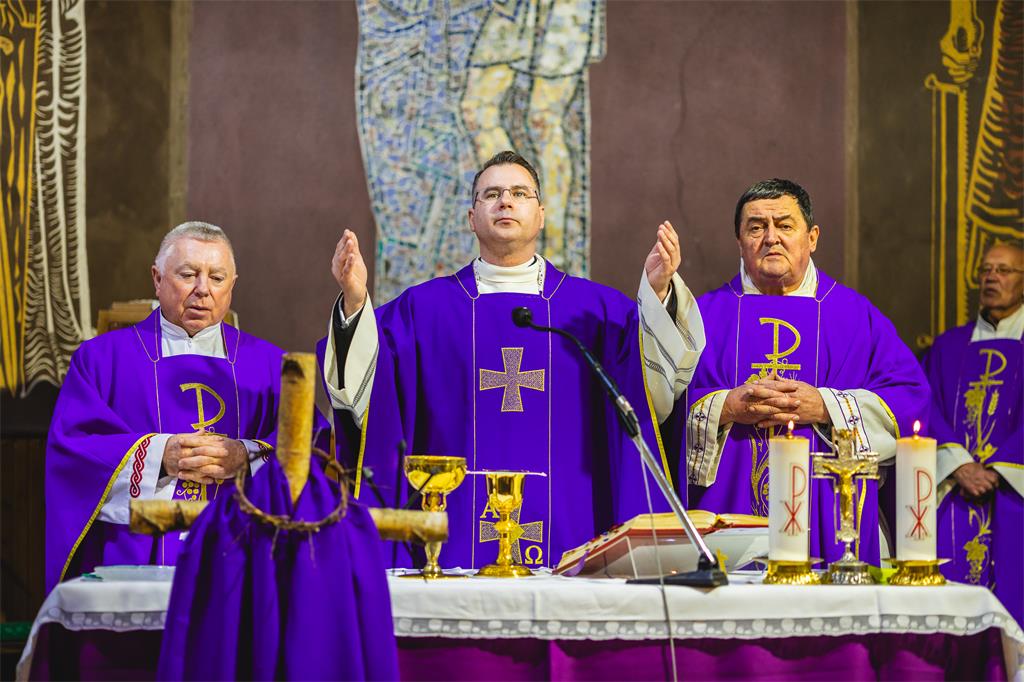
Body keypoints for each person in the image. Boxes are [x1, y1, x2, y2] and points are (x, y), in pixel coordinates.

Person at [319, 150, 705, 570]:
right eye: (492, 194)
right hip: (453, 534)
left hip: (575, 527)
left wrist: (658, 294)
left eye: (520, 193)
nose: (505, 201)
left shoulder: (596, 313)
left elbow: (655, 387)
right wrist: (355, 304)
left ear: (540, 216)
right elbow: (368, 393)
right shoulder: (423, 311)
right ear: (472, 218)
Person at [45, 222, 313, 590]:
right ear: (157, 279)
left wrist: (246, 456)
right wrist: (158, 455)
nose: (203, 289)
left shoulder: (271, 365)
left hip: (242, 555)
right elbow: (73, 451)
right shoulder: (101, 360)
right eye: (188, 274)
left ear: (232, 285)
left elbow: (309, 449)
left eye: (217, 277)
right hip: (134, 557)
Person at [684, 179, 931, 564]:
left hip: (830, 516)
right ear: (739, 242)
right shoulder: (702, 317)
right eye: (756, 227)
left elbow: (910, 399)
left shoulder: (855, 317)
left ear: (812, 237)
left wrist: (826, 406)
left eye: (784, 225)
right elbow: (659, 413)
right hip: (726, 525)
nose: (771, 238)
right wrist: (725, 407)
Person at [923, 242, 1022, 624]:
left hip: (1014, 496)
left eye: (1004, 270)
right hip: (955, 492)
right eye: (986, 270)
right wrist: (960, 465)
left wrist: (1000, 468)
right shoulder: (947, 347)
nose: (991, 278)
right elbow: (924, 407)